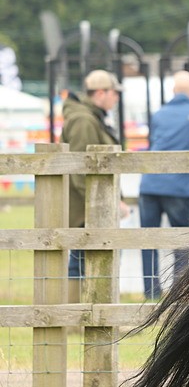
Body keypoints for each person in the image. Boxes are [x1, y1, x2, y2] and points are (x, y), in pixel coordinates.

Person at [139, 71, 189, 299]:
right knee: (181, 241)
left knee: (147, 240)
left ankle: (151, 291)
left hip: (149, 184)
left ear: (173, 91)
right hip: (179, 186)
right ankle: (179, 289)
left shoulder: (159, 114)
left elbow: (152, 142)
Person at [61, 71, 122, 281]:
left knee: (86, 259)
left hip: (90, 204)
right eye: (114, 93)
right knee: (82, 261)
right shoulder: (84, 121)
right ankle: (77, 308)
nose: (117, 98)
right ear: (100, 93)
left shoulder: (90, 118)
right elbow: (81, 168)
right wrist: (99, 205)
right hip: (86, 207)